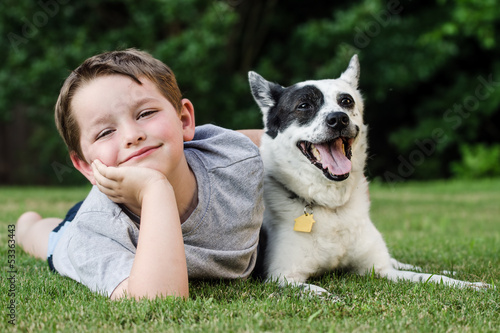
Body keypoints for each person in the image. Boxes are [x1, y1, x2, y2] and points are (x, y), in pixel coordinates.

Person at [16, 48, 265, 300]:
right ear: (86, 166)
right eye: (104, 132)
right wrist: (154, 188)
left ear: (184, 120)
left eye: (145, 113)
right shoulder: (91, 236)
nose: (131, 135)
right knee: (51, 238)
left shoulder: (234, 158)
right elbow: (159, 301)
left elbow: (272, 142)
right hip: (98, 217)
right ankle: (27, 225)